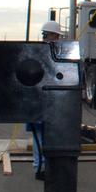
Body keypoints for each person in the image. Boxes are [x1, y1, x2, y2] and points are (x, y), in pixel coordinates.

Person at [27, 20, 66, 179]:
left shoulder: (42, 51)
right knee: (40, 135)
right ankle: (40, 167)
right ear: (51, 35)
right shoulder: (44, 52)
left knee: (43, 135)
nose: (57, 38)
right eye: (55, 35)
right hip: (42, 100)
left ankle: (43, 166)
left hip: (46, 100)